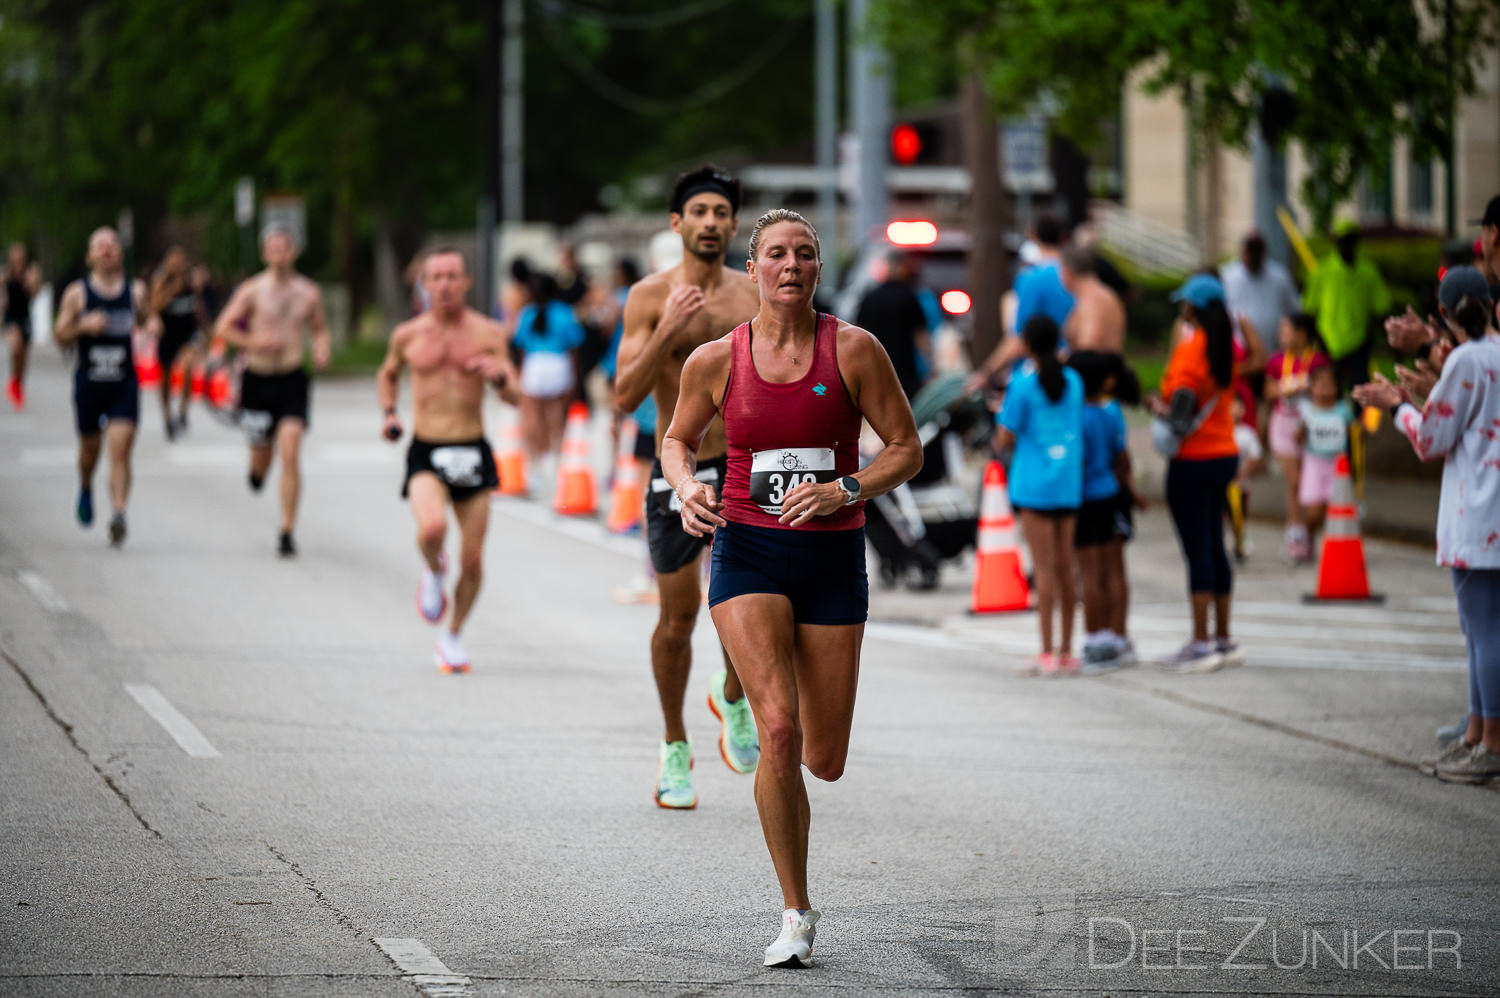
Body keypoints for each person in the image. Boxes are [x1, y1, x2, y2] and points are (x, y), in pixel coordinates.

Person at [660, 207, 922, 967]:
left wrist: (848, 488)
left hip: (832, 557)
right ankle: (796, 913)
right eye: (776, 254)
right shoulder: (716, 359)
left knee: (824, 756)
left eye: (804, 254)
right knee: (779, 733)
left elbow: (905, 449)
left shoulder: (856, 351)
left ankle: (738, 685)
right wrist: (684, 485)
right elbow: (677, 439)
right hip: (747, 552)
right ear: (754, 269)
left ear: (816, 268)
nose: (791, 266)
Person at [615, 166, 763, 808]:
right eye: (697, 211)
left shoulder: (754, 297)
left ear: (734, 224)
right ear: (677, 223)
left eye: (720, 212)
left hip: (744, 467)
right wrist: (670, 331)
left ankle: (732, 694)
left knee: (751, 609)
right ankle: (675, 745)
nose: (710, 222)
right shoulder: (649, 297)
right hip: (675, 471)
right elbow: (623, 396)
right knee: (677, 622)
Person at [1354, 266, 1500, 783]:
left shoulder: (1464, 359)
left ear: (1443, 313)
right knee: (1482, 630)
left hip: (1476, 513)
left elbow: (1430, 440)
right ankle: (1476, 736)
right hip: (1490, 513)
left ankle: (1491, 745)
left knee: (1482, 632)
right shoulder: (1495, 352)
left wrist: (1399, 405)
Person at [377, 249, 518, 673]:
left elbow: (514, 392)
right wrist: (389, 413)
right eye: (435, 277)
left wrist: (496, 376)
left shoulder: (489, 332)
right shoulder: (407, 335)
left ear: (466, 282)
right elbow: (388, 373)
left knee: (473, 560)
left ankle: (453, 634)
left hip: (473, 449)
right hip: (427, 449)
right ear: (424, 282)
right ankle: (433, 568)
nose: (444, 285)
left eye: (452, 276)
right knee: (433, 527)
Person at [213, 225, 332, 557]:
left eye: (285, 248)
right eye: (273, 249)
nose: (280, 255)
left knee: (291, 450)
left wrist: (322, 349)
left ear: (294, 252)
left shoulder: (308, 292)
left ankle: (286, 530)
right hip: (258, 377)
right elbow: (223, 327)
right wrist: (253, 342)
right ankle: (257, 472)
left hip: (293, 377)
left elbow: (320, 329)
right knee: (262, 456)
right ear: (266, 254)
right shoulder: (252, 291)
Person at [1154, 274, 1244, 672]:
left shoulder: (1192, 350)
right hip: (1224, 452)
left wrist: (1160, 411)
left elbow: (1184, 402)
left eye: (1185, 303)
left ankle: (1200, 641)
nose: (1182, 309)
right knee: (1216, 543)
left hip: (1192, 458)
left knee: (1197, 549)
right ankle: (1223, 636)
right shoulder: (1228, 346)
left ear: (1195, 308)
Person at [52, 227, 157, 546]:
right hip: (90, 382)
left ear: (120, 253)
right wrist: (83, 325)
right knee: (90, 450)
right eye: (100, 246)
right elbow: (59, 335)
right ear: (90, 255)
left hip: (124, 382)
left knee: (121, 448)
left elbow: (150, 319)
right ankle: (85, 485)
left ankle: (119, 513)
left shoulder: (135, 291)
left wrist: (152, 326)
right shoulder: (78, 293)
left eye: (112, 245)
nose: (107, 250)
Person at [997, 316, 1084, 675]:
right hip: (1068, 483)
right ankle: (1067, 651)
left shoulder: (1022, 384)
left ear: (1028, 345)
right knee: (1067, 567)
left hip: (1033, 485)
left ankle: (1046, 651)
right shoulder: (1075, 381)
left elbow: (1005, 437)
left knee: (1044, 569)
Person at [1067, 350, 1141, 671]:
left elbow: (1079, 461)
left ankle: (1095, 639)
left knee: (1090, 574)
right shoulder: (1112, 411)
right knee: (1116, 572)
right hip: (1113, 496)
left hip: (1085, 500)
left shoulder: (1076, 415)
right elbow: (1122, 457)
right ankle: (1119, 636)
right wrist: (1127, 489)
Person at [969, 213, 1074, 385]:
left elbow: (1019, 338)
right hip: (1070, 373)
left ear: (1033, 235)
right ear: (1064, 237)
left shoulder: (1031, 279)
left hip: (1035, 378)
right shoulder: (1074, 276)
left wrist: (985, 373)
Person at [1264, 313, 1329, 562]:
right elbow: (1269, 391)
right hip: (1283, 424)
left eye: (1286, 330)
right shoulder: (1278, 361)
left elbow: (1327, 388)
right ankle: (1295, 532)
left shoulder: (1318, 361)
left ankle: (1308, 531)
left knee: (1309, 481)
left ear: (1302, 334)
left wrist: (1309, 387)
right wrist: (1286, 387)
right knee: (1294, 481)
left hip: (1311, 426)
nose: (1282, 336)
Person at [1303, 220, 1391, 393]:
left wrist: (1372, 339)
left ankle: (1359, 420)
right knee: (1328, 393)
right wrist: (1319, 342)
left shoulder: (1368, 271)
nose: (1346, 245)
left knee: (1361, 394)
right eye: (1342, 240)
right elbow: (1309, 310)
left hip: (1358, 344)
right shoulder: (1322, 270)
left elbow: (1381, 309)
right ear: (1336, 242)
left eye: (1350, 240)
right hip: (1327, 344)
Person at [512, 272, 586, 467]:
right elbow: (575, 346)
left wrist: (521, 371)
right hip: (559, 363)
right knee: (559, 416)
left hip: (534, 363)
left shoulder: (527, 313)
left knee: (534, 416)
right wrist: (576, 376)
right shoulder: (565, 312)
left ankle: (538, 457)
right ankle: (556, 456)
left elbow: (520, 346)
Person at [1294, 365, 1356, 553]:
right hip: (1314, 464)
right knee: (1314, 511)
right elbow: (1297, 439)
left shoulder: (1343, 410)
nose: (1324, 388)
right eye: (1319, 384)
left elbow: (1354, 435)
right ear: (1311, 387)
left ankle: (1335, 548)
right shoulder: (1306, 411)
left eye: (1329, 384)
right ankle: (1307, 535)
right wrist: (1302, 429)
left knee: (1334, 510)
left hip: (1337, 466)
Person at [854, 251, 930, 399]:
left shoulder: (871, 296)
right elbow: (921, 337)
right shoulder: (909, 296)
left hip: (875, 369)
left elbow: (858, 332)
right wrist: (930, 366)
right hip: (904, 372)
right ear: (901, 268)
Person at [1221, 232, 1301, 366]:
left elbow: (1294, 310)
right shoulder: (1229, 277)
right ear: (1243, 251)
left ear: (1263, 252)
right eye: (1250, 251)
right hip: (1241, 359)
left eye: (1256, 251)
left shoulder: (1279, 276)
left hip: (1275, 355)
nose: (1253, 257)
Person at [149, 246, 201, 440]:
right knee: (165, 379)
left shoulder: (190, 278)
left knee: (188, 367)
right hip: (167, 333)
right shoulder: (161, 279)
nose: (177, 264)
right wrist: (171, 291)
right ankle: (166, 415)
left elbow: (199, 302)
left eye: (181, 260)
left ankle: (183, 411)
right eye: (173, 260)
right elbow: (153, 306)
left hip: (186, 333)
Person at [1059, 245, 1126, 355]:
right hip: (1111, 367)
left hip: (1096, 371)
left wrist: (1063, 360)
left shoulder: (1090, 301)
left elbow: (1089, 346)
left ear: (1067, 273)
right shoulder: (1107, 294)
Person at [4, 243, 42, 410]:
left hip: (25, 317)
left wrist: (32, 284)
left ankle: (18, 383)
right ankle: (14, 379)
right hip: (11, 317)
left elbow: (35, 296)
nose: (17, 258)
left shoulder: (30, 272)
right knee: (16, 347)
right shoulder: (6, 273)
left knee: (24, 356)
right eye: (15, 254)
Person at [1227, 395, 1264, 563]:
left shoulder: (1247, 433)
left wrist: (1244, 471)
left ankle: (1239, 544)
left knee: (1240, 515)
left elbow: (1256, 457)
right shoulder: (1221, 432)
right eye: (1231, 407)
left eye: (1238, 407)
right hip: (1222, 485)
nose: (1235, 411)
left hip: (1241, 485)